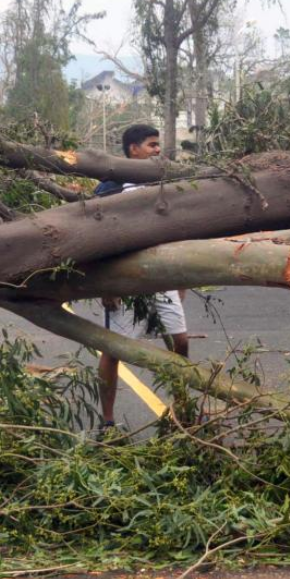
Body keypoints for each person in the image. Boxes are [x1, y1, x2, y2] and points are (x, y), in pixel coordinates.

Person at [95, 125, 190, 430]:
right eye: (151, 145)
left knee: (180, 341)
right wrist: (105, 285)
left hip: (162, 278)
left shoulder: (163, 183)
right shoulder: (111, 187)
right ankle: (107, 421)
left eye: (158, 145)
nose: (157, 150)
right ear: (133, 149)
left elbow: (180, 230)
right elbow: (96, 237)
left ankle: (181, 409)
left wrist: (182, 278)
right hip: (126, 281)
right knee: (114, 351)